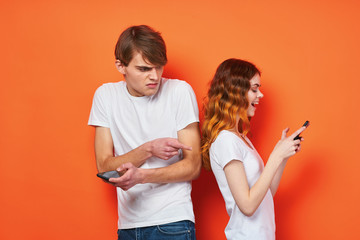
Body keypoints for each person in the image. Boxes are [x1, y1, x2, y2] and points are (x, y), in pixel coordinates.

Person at [88, 25, 201, 240]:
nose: (155, 76)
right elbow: (104, 165)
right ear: (121, 66)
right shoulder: (106, 96)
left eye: (159, 67)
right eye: (143, 69)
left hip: (173, 222)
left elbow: (193, 165)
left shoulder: (179, 91)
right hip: (128, 226)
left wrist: (142, 176)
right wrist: (148, 149)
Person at [201, 58, 308, 239]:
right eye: (254, 89)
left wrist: (283, 156)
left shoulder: (240, 138)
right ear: (235, 91)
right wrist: (275, 156)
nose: (260, 95)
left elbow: (266, 195)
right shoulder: (226, 141)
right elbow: (248, 206)